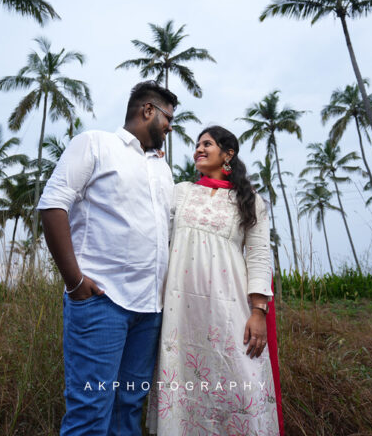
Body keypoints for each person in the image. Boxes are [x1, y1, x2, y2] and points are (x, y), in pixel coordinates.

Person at [38, 80, 178, 435]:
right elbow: (53, 205)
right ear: (148, 110)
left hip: (150, 311)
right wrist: (75, 282)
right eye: (168, 118)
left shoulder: (162, 168)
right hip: (102, 303)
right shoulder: (96, 144)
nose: (170, 127)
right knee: (90, 411)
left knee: (128, 409)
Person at [146, 125, 283, 435]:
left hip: (229, 308)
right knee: (183, 379)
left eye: (207, 143)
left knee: (239, 377)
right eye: (197, 144)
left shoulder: (250, 201)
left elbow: (260, 256)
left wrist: (259, 311)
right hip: (180, 312)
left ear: (228, 153)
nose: (199, 148)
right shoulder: (181, 191)